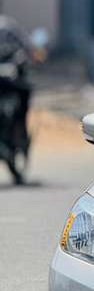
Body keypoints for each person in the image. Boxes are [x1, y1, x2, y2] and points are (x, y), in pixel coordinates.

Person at [0, 11, 38, 182]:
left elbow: (29, 51)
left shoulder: (8, 26)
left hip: (12, 82)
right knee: (24, 100)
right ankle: (20, 135)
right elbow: (30, 48)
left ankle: (19, 136)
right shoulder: (9, 25)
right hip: (12, 81)